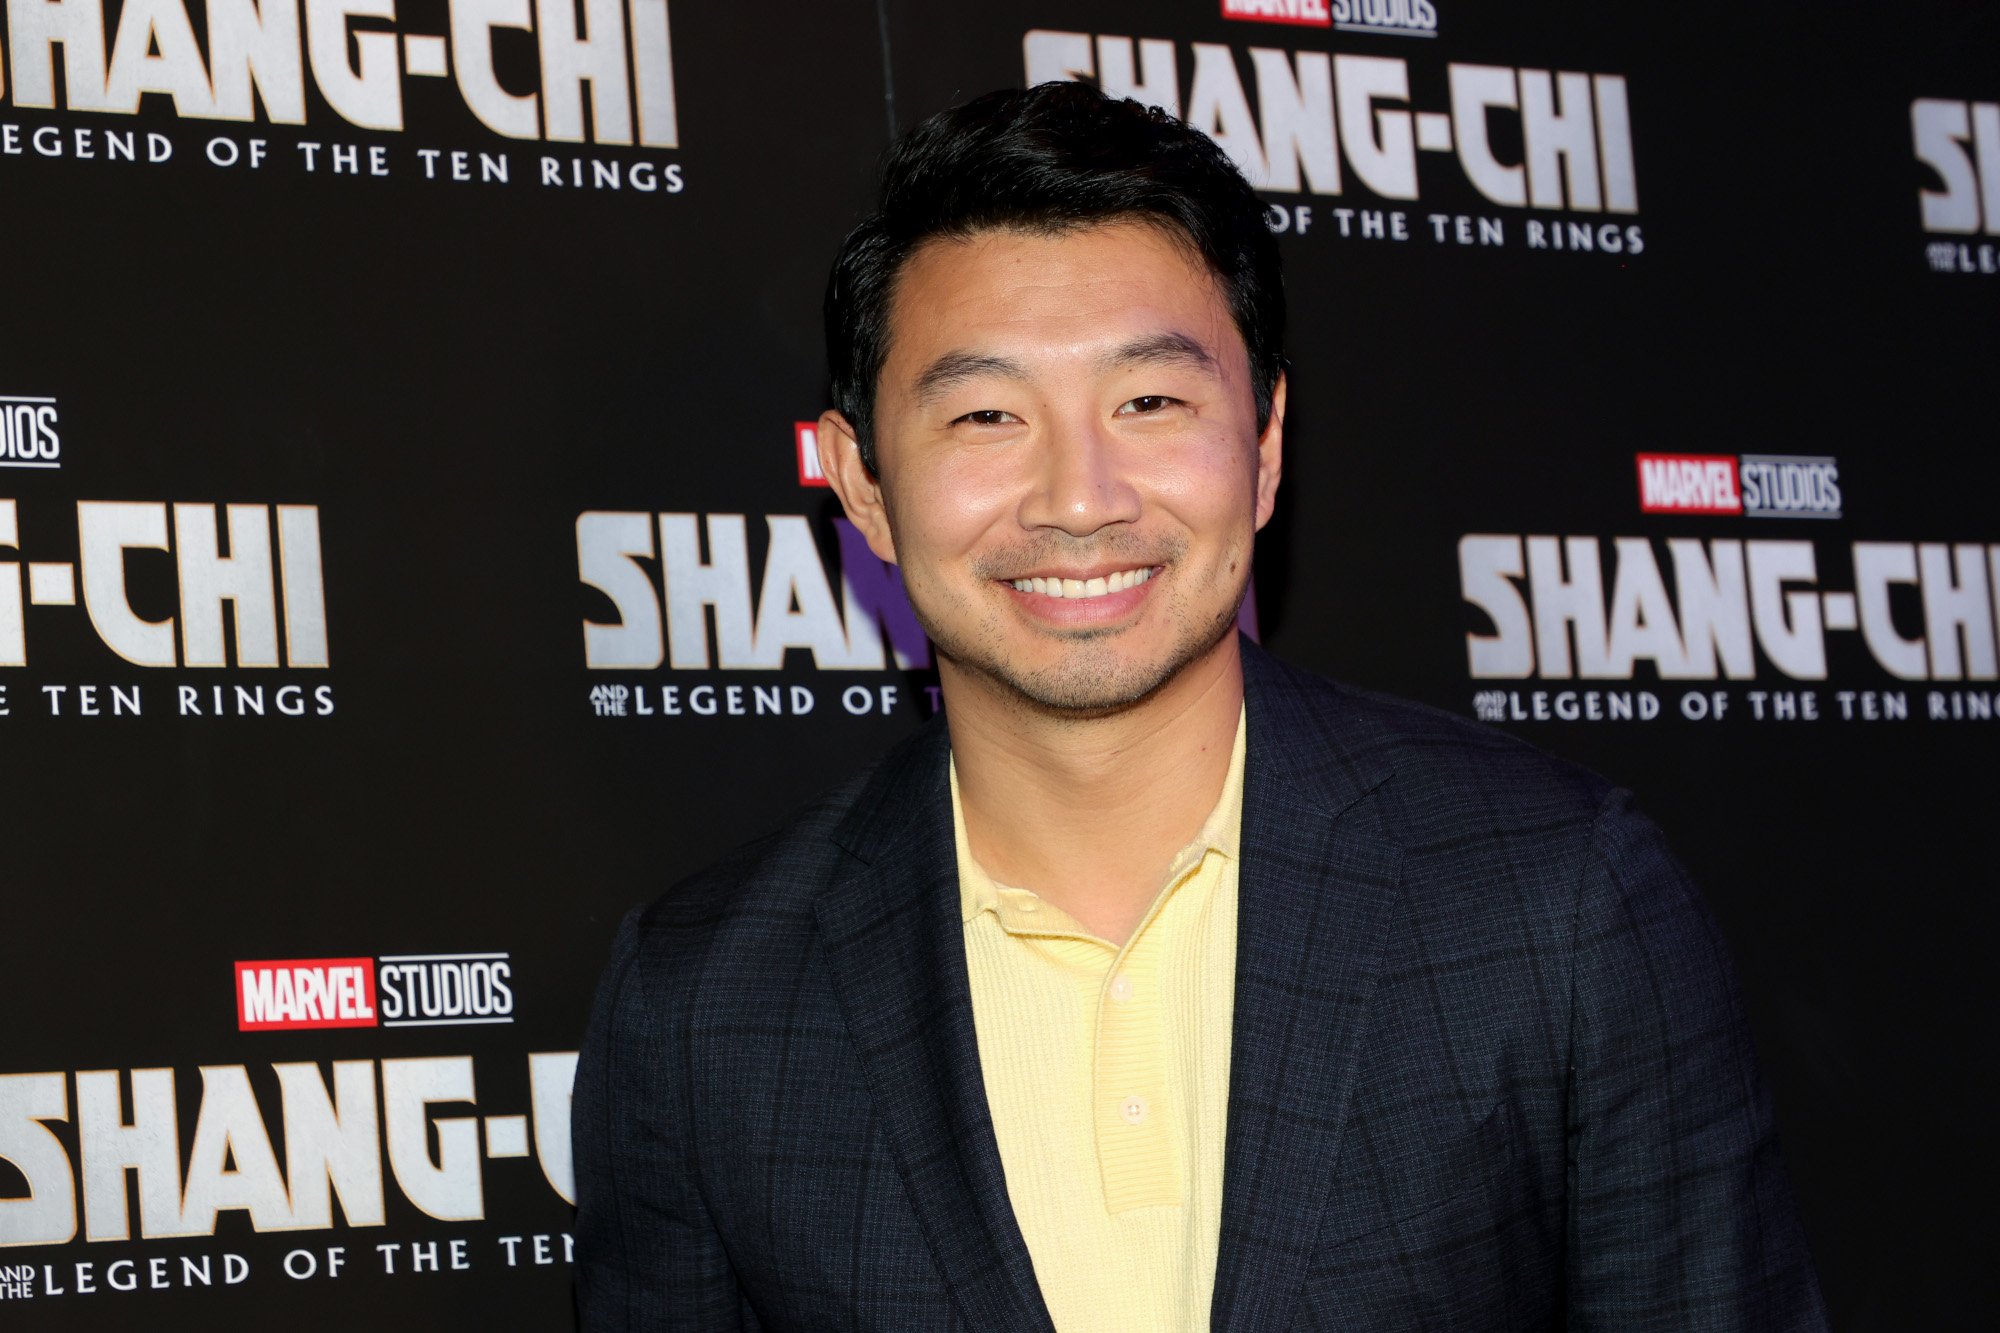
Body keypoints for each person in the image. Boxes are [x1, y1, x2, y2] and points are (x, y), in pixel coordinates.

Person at [572, 81, 1826, 1331]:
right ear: (862, 483)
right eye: (986, 414)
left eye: (1150, 402)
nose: (1078, 496)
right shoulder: (702, 1003)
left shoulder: (1555, 900)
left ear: (1266, 441)